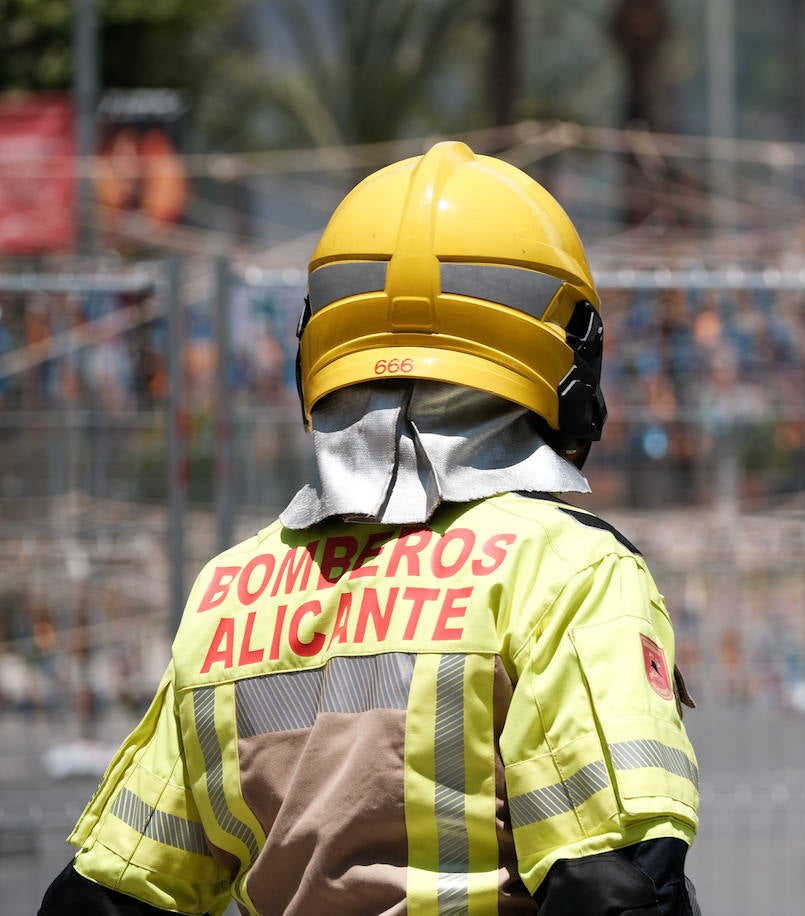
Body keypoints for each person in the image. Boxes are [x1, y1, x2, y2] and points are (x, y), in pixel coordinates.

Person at [39, 141, 701, 915]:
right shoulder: (571, 572)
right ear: (571, 355)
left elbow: (108, 897)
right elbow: (615, 889)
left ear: (317, 349)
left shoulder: (228, 590)